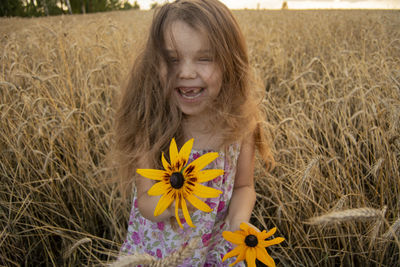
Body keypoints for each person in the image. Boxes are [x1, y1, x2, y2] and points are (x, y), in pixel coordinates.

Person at [113, 0, 274, 265]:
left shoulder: (241, 125)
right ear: (156, 65)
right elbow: (146, 202)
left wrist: (238, 225)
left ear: (229, 63)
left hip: (216, 247)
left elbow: (245, 186)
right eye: (172, 60)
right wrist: (182, 198)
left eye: (204, 58)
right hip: (162, 251)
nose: (186, 72)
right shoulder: (152, 125)